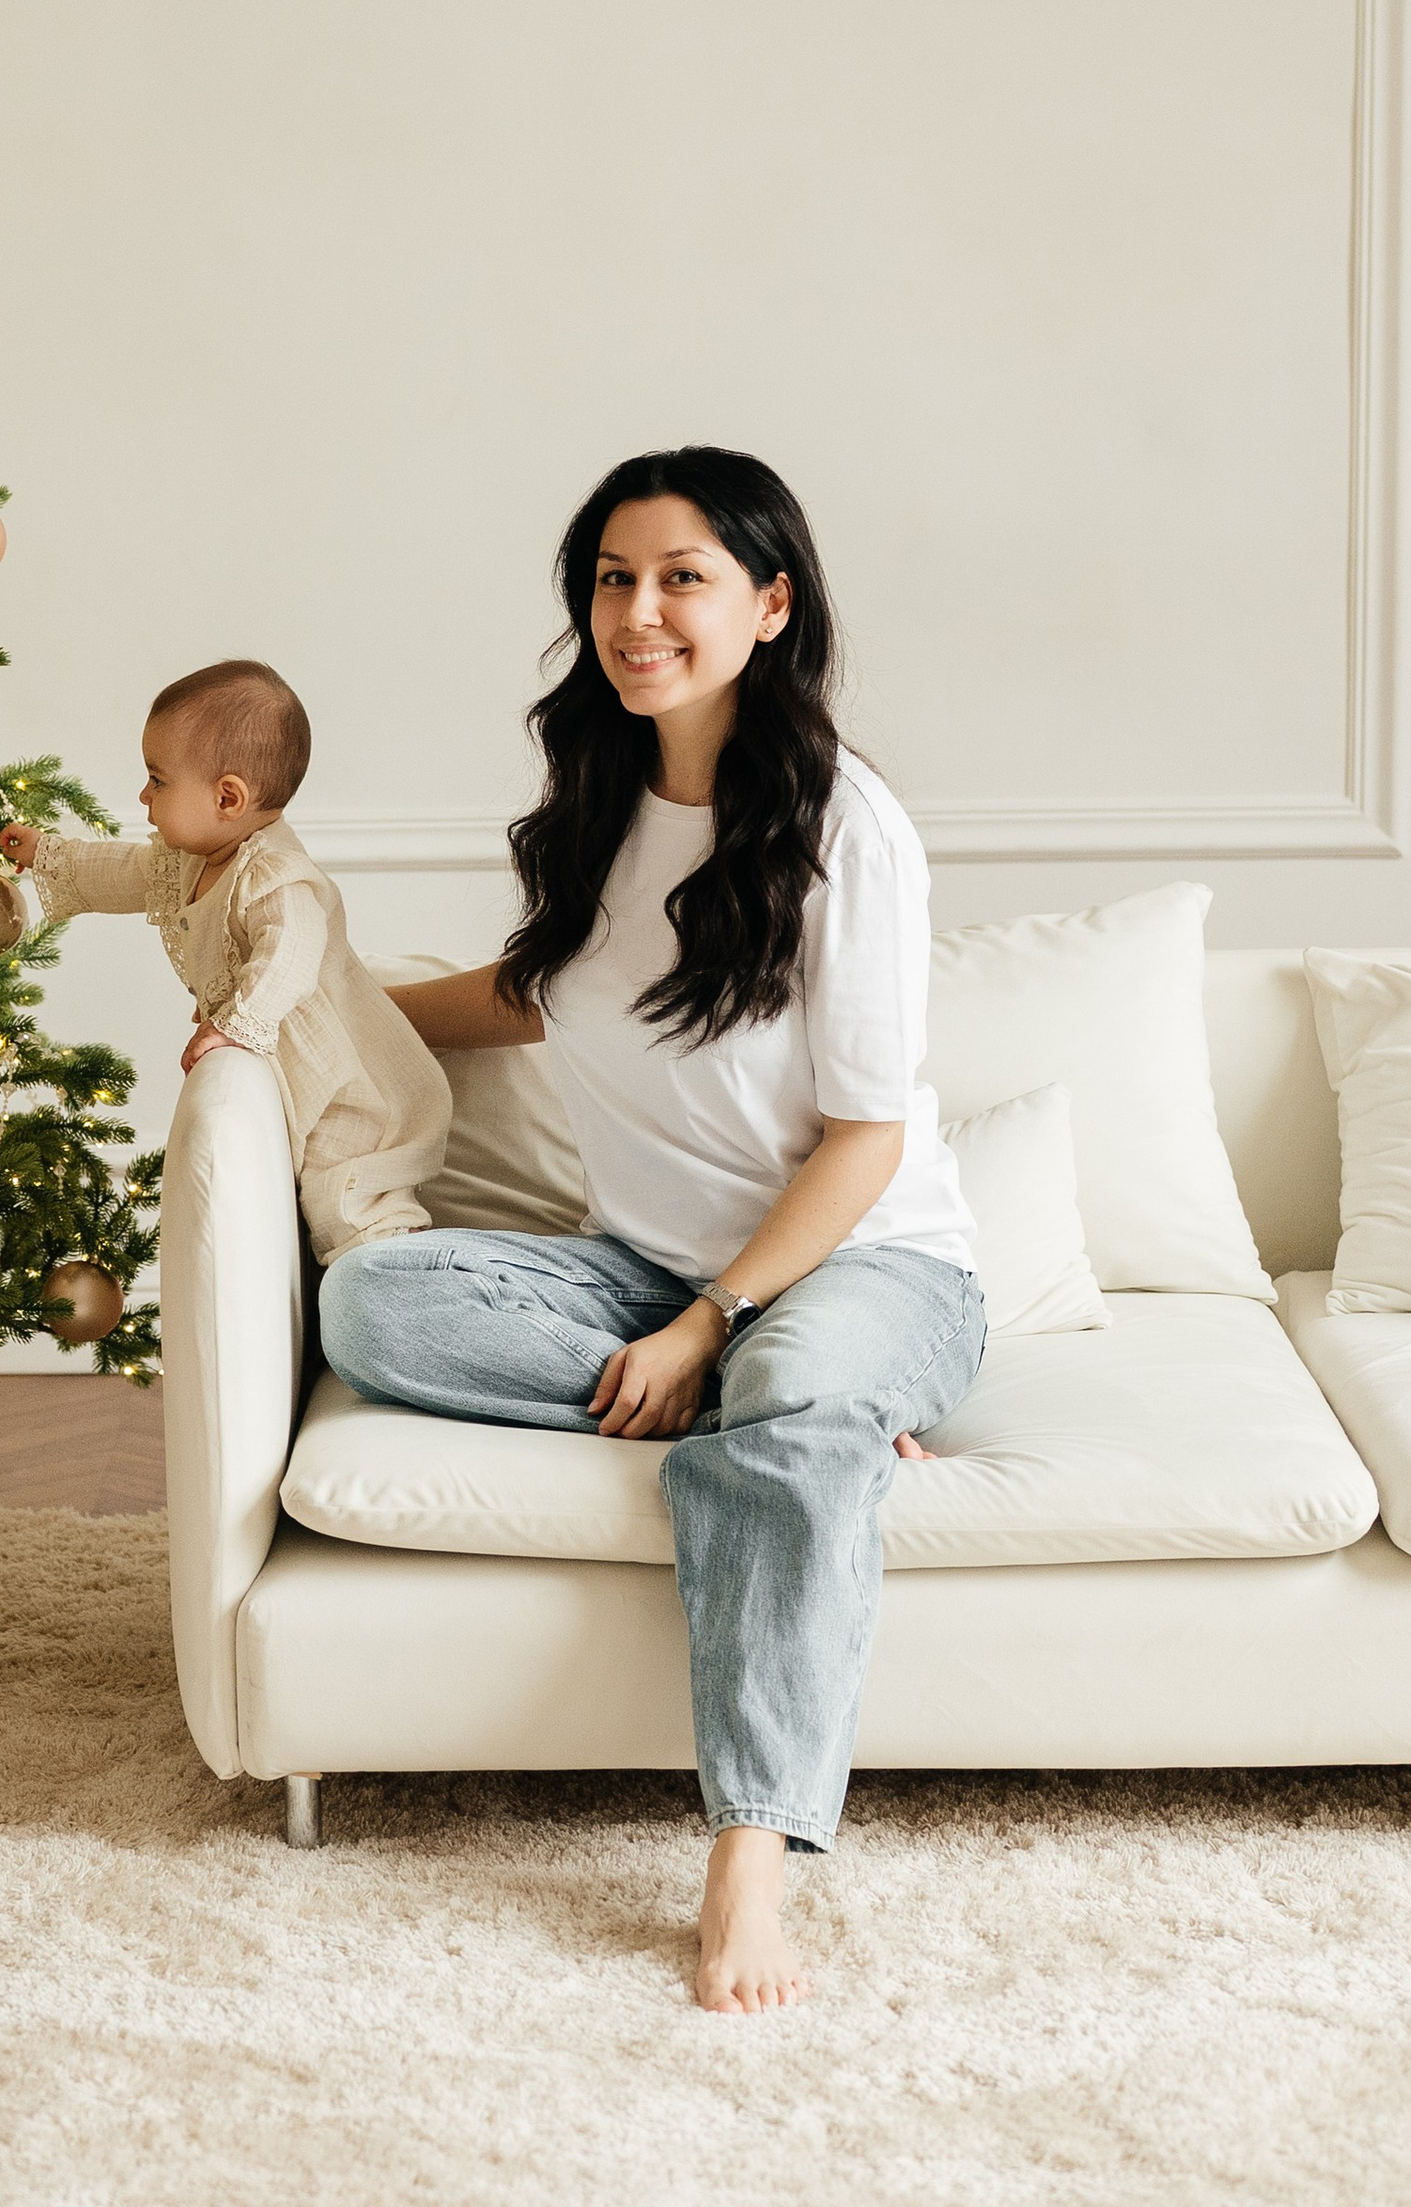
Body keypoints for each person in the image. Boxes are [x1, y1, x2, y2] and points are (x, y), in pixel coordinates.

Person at [319, 449, 984, 2019]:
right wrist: (301, 1014)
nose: (639, 613)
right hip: (646, 1270)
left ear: (770, 603)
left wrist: (721, 1324)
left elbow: (868, 1137)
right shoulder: (598, 802)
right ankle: (793, 1417)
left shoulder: (847, 826)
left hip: (873, 1261)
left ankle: (750, 1850)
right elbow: (524, 996)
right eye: (615, 580)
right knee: (377, 1308)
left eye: (682, 577)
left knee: (792, 1370)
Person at [2, 657, 451, 1262]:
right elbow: (124, 871)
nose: (143, 794)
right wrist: (48, 854)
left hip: (339, 1086)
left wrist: (236, 1022)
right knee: (306, 1212)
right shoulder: (189, 857)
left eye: (157, 780)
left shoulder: (272, 875)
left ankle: (412, 1273)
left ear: (228, 797)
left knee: (349, 1200)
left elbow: (290, 953)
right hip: (293, 1077)